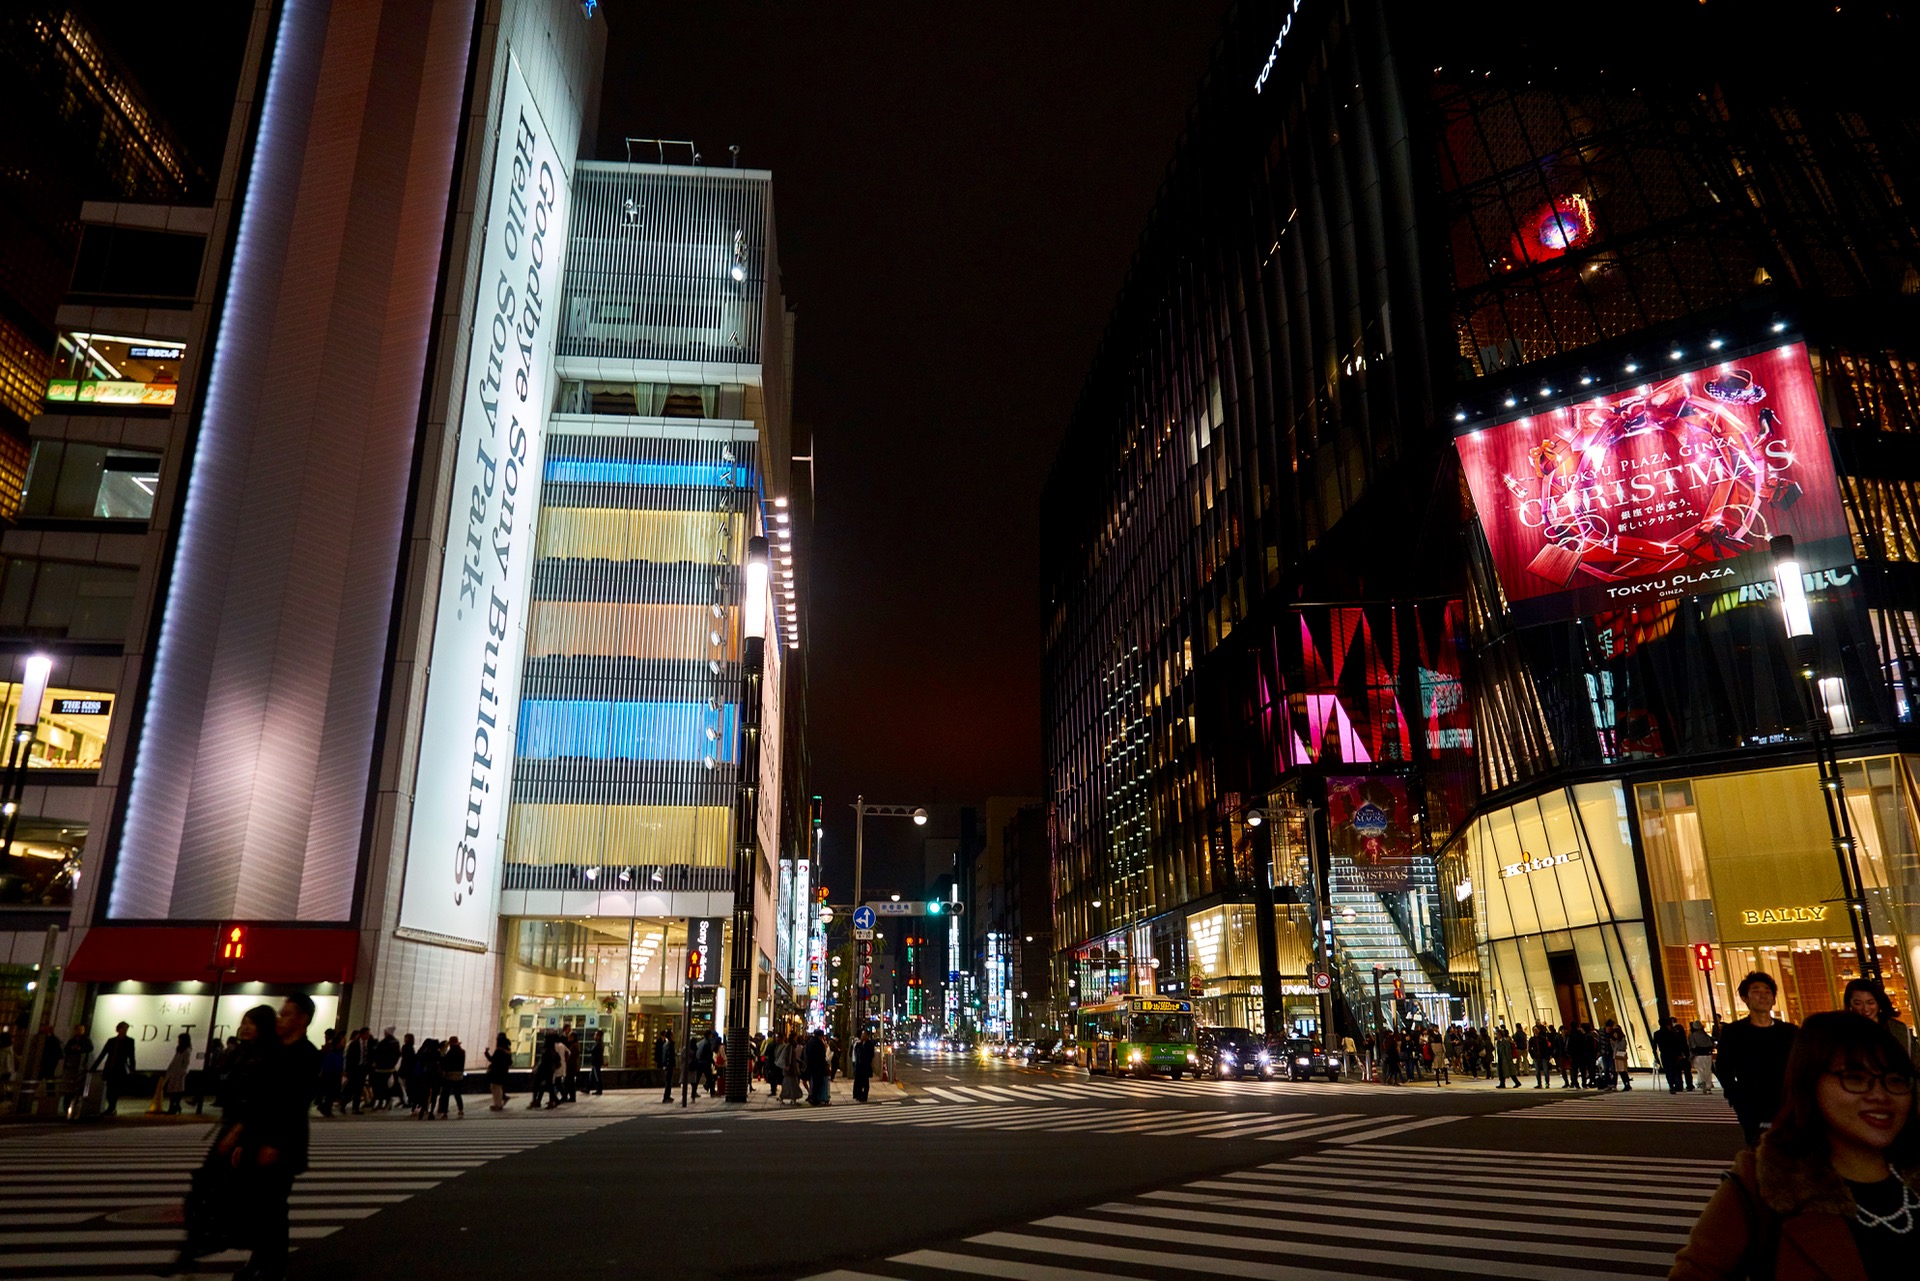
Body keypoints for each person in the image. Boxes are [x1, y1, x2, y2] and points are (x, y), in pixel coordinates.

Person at [1669, 1011, 1918, 1281]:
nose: (1880, 1095)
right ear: (1810, 1083)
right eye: (1855, 1078)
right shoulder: (1765, 1184)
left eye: (1895, 1080)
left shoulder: (1912, 1170)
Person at [246, 994, 320, 1281]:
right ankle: (259, 1260)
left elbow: (295, 1104)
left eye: (286, 1014)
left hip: (284, 1143)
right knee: (261, 1206)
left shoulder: (307, 1055)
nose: (280, 1018)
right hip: (260, 1138)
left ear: (302, 1019)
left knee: (274, 1206)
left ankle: (272, 1267)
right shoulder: (274, 1050)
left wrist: (275, 1143)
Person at [1719, 970, 1799, 1147]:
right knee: (1761, 1153)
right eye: (1756, 991)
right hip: (1752, 1106)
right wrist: (1736, 1098)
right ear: (1745, 998)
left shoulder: (1790, 1032)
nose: (1763, 996)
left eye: (1767, 991)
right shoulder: (1733, 1033)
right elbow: (1723, 1068)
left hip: (1788, 1104)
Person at [1845, 978, 1919, 1069]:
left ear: (1878, 1002)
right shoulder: (1844, 1033)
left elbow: (1915, 1061)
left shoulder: (1898, 1030)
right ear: (1850, 1005)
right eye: (1858, 1004)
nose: (1866, 1009)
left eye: (1870, 1003)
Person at [93, 1021, 137, 1115]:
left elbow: (131, 1056)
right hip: (110, 1067)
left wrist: (132, 1069)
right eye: (123, 1028)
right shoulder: (112, 1041)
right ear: (118, 1029)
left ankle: (112, 1107)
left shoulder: (130, 1041)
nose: (125, 1031)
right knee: (109, 1087)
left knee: (116, 1088)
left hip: (120, 1067)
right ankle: (111, 1106)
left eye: (126, 1029)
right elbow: (103, 1053)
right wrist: (94, 1067)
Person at [59, 1023, 93, 1116]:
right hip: (71, 1066)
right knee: (69, 1087)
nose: (81, 1031)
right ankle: (66, 1106)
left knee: (78, 1087)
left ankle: (75, 1106)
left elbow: (89, 1048)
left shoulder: (86, 1040)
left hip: (80, 1065)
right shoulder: (72, 1040)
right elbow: (66, 1049)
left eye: (82, 1030)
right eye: (79, 1029)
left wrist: (80, 1048)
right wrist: (73, 1048)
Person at [1657, 1017, 1691, 1094]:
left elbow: (1654, 1046)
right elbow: (1677, 1044)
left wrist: (1656, 1056)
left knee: (1669, 1070)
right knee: (1675, 1069)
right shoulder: (1672, 1033)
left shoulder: (1658, 1033)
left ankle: (1672, 1084)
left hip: (1665, 1054)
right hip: (1673, 1054)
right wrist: (1679, 1054)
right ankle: (1677, 1084)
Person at [315, 1029, 343, 1117]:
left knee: (332, 1094)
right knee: (330, 1094)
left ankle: (326, 1107)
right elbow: (328, 1065)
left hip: (335, 1075)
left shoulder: (337, 1052)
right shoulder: (331, 1053)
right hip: (331, 1075)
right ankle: (326, 1108)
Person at [163, 1032, 193, 1115]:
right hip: (175, 1072)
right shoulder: (180, 1049)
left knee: (176, 1091)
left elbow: (186, 1063)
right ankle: (174, 1106)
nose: (178, 1041)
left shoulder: (186, 1050)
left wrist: (182, 1072)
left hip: (179, 1073)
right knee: (173, 1091)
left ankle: (174, 1107)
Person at [370, 1027, 400, 1109]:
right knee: (385, 1085)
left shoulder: (385, 1042)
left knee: (380, 1085)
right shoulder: (396, 1042)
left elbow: (378, 1053)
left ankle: (383, 1101)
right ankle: (385, 1101)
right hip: (390, 1067)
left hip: (382, 1068)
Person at [342, 1027, 369, 1114]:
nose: (368, 1035)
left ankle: (355, 1108)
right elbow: (349, 1058)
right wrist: (347, 1070)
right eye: (367, 1033)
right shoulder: (354, 1044)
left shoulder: (368, 1044)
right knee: (350, 1088)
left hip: (362, 1069)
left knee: (359, 1089)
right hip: (354, 1070)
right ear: (362, 1034)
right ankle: (343, 1104)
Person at [438, 1035, 466, 1118]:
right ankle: (460, 1109)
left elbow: (443, 1062)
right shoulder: (462, 1052)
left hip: (449, 1076)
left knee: (445, 1094)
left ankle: (445, 1112)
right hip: (459, 1075)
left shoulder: (449, 1053)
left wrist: (443, 1051)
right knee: (457, 1093)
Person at [1689, 1020, 1717, 1095]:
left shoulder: (1692, 1036)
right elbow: (1711, 1044)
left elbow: (1691, 1046)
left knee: (1700, 1071)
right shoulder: (1705, 1035)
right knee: (1708, 1070)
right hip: (1707, 1055)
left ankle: (1702, 1082)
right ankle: (1708, 1086)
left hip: (1698, 1055)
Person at [487, 1033, 513, 1111]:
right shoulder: (508, 1050)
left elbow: (492, 1059)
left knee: (495, 1088)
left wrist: (486, 1053)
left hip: (496, 1071)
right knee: (498, 1088)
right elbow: (510, 1062)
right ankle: (499, 1104)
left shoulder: (499, 1050)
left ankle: (497, 1104)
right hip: (503, 1071)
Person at [805, 1028, 831, 1105]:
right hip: (818, 1066)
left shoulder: (810, 1042)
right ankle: (814, 1098)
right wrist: (825, 1064)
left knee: (814, 1081)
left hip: (811, 1065)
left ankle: (812, 1096)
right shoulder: (819, 1043)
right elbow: (821, 1055)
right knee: (818, 1082)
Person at [852, 1030, 876, 1102]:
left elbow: (871, 1054)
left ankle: (864, 1096)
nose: (862, 1036)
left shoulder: (869, 1044)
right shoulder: (859, 1044)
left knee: (865, 1082)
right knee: (858, 1081)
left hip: (865, 1066)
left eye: (864, 1035)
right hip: (859, 1066)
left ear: (867, 1036)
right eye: (862, 1035)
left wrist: (867, 1061)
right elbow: (856, 1052)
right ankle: (858, 1095)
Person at [654, 1028, 676, 1104]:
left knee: (668, 1081)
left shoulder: (666, 1044)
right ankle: (666, 1097)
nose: (674, 1035)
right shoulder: (669, 1044)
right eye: (673, 1034)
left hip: (666, 1064)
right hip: (669, 1065)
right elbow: (669, 1055)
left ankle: (667, 1096)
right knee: (669, 1082)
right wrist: (670, 1063)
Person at [1611, 1022, 1634, 1091]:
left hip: (1621, 1057)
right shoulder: (1616, 1040)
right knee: (1621, 1071)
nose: (1614, 1035)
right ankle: (1626, 1084)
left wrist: (1614, 1043)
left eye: (1615, 1033)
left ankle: (1627, 1084)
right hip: (1617, 1057)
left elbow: (1622, 1048)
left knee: (1623, 1071)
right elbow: (1614, 1048)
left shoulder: (1622, 1040)